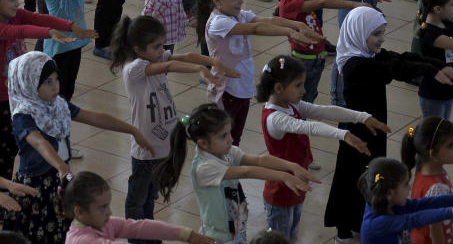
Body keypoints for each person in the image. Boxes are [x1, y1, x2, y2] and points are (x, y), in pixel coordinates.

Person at [323, 7, 453, 243]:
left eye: (382, 33)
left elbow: (400, 58)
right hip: (358, 134)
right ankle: (345, 232)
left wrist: (434, 66)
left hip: (374, 129)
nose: (381, 39)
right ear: (358, 33)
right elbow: (394, 68)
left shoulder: (367, 55)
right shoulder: (355, 65)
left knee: (371, 175)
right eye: (376, 34)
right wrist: (429, 70)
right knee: (352, 177)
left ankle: (359, 223)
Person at [2, 50, 155, 244]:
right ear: (29, 84)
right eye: (47, 82)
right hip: (36, 189)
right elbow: (39, 142)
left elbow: (93, 116)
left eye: (56, 79)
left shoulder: (59, 105)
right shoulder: (23, 116)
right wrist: (61, 166)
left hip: (60, 182)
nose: (55, 86)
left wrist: (132, 130)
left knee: (63, 233)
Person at [0, 0, 93, 222]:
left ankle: (3, 194)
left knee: (10, 151)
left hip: (17, 99)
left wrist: (70, 26)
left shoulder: (12, 14)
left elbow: (37, 17)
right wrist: (49, 33)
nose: (17, 3)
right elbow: (21, 29)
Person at [110, 14, 232, 229]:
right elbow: (168, 67)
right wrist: (198, 70)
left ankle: (148, 231)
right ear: (138, 50)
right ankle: (136, 236)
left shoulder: (154, 58)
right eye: (156, 47)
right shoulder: (134, 69)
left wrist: (209, 60)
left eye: (162, 45)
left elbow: (183, 56)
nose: (162, 51)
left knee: (150, 197)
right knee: (137, 199)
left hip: (163, 147)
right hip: (145, 148)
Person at [256, 54, 387, 242]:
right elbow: (310, 126)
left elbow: (324, 111)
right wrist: (343, 134)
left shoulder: (292, 104)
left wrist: (362, 116)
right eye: (298, 85)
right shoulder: (274, 118)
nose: (304, 89)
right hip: (280, 193)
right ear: (278, 88)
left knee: (291, 237)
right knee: (279, 240)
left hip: (296, 186)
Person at [156, 102, 316, 244]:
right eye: (223, 136)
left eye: (229, 133)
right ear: (203, 143)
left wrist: (291, 166)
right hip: (217, 238)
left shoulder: (226, 152)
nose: (231, 140)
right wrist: (284, 176)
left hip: (236, 233)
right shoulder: (205, 167)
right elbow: (246, 172)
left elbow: (259, 160)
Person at [194, 0, 319, 146]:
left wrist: (297, 24)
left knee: (233, 139)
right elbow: (255, 29)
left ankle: (231, 168)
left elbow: (267, 21)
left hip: (242, 88)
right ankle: (221, 170)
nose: (241, 1)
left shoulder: (238, 15)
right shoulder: (218, 23)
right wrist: (289, 32)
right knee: (222, 140)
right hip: (227, 90)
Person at [62, 171, 215, 244]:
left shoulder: (103, 223)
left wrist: (186, 234)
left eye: (107, 205)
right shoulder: (81, 240)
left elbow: (140, 227)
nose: (109, 212)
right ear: (79, 211)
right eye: (102, 208)